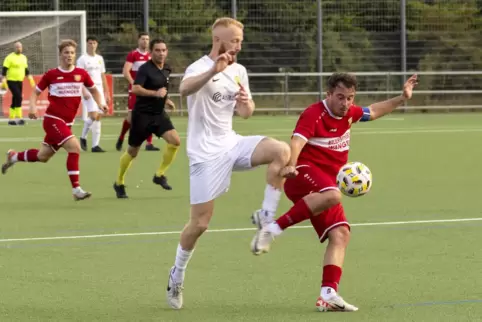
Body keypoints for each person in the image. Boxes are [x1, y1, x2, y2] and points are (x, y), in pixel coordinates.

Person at [250, 72, 418, 312]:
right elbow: (296, 142)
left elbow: (373, 111)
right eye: (340, 97)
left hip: (326, 184)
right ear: (328, 94)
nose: (346, 103)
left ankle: (328, 294)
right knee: (334, 195)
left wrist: (402, 98)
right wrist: (290, 165)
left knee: (340, 234)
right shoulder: (313, 114)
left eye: (350, 98)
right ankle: (272, 229)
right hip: (302, 174)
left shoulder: (349, 113)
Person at [166, 17, 291, 310]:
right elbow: (184, 91)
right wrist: (214, 70)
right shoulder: (199, 67)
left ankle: (266, 216)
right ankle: (177, 274)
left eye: (241, 40)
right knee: (200, 224)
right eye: (235, 40)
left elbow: (246, 112)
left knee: (281, 151)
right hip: (205, 153)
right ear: (218, 40)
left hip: (232, 143)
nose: (239, 45)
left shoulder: (240, 70)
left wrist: (246, 103)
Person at [1, 39, 107, 201]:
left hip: (67, 123)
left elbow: (94, 90)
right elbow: (35, 92)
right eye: (66, 52)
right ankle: (76, 190)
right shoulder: (52, 74)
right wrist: (32, 107)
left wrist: (101, 103)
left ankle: (14, 157)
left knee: (43, 156)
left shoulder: (81, 74)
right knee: (74, 148)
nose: (69, 55)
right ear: (60, 55)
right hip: (52, 120)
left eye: (72, 53)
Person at [113, 38, 179, 198]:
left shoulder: (167, 69)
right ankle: (119, 182)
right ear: (151, 52)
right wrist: (155, 94)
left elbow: (161, 88)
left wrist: (166, 100)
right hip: (142, 115)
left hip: (158, 115)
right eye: (157, 50)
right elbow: (135, 89)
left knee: (175, 141)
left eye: (164, 50)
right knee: (133, 152)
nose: (161, 53)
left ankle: (159, 175)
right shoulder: (144, 69)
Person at [116, 32, 159, 152]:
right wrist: (134, 84)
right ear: (138, 40)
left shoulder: (151, 56)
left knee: (150, 114)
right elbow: (126, 71)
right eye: (143, 39)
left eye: (147, 39)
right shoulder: (133, 55)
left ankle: (149, 143)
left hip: (148, 90)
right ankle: (121, 137)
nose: (145, 41)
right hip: (136, 91)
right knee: (131, 118)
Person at [77, 36, 110, 153]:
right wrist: (83, 90)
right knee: (94, 115)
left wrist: (107, 93)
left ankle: (95, 145)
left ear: (97, 44)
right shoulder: (82, 59)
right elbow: (78, 77)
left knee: (99, 116)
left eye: (94, 43)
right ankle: (83, 136)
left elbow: (103, 76)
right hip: (88, 89)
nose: (92, 45)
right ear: (87, 44)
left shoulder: (100, 59)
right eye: (90, 43)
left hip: (99, 90)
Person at [0, 41, 36, 125]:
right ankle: (20, 118)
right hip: (11, 81)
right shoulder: (9, 57)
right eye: (17, 47)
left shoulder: (24, 57)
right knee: (19, 97)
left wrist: (30, 79)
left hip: (20, 81)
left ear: (22, 48)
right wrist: (3, 80)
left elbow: (26, 70)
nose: (19, 48)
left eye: (20, 47)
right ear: (14, 48)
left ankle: (11, 120)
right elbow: (4, 70)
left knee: (15, 99)